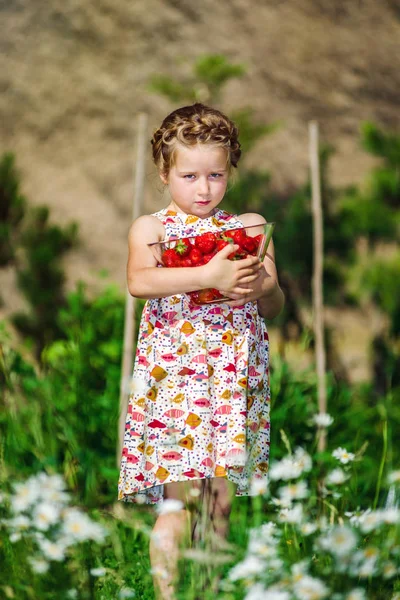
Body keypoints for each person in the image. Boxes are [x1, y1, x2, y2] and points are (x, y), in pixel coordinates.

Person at [118, 102, 285, 599]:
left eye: (215, 174)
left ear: (230, 171)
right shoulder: (152, 229)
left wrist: (260, 287)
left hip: (233, 382)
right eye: (189, 175)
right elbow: (138, 280)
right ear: (165, 173)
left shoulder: (250, 227)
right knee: (177, 501)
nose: (204, 187)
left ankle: (208, 590)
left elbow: (275, 301)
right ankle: (167, 595)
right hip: (176, 386)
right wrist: (207, 275)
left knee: (218, 503)